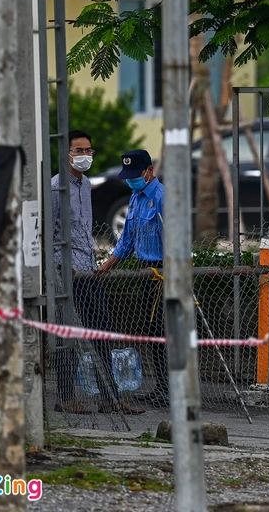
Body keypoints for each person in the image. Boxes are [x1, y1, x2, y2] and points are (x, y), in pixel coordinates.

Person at [52, 131, 145, 415]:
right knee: (65, 335)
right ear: (66, 153)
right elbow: (49, 229)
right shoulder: (56, 187)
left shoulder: (85, 184)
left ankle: (110, 397)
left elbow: (82, 231)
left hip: (88, 268)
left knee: (101, 331)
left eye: (89, 150)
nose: (85, 156)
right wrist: (55, 267)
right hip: (66, 270)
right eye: (79, 150)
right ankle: (65, 397)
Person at [96, 149, 168, 404]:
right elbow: (127, 239)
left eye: (135, 175)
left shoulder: (162, 197)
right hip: (146, 273)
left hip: (165, 272)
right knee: (153, 331)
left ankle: (171, 390)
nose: (131, 180)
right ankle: (162, 387)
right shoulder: (136, 197)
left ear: (149, 171)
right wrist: (108, 265)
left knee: (165, 331)